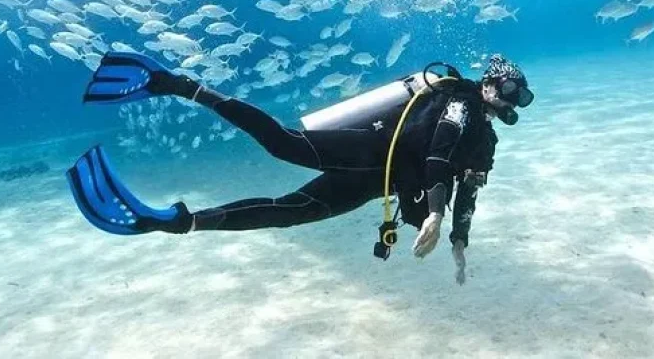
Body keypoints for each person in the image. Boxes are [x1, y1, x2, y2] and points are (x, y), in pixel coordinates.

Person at [68, 52, 533, 283]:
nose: (514, 101)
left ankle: (180, 222)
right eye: (511, 90)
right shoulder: (460, 102)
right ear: (489, 84)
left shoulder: (485, 143)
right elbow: (438, 153)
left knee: (292, 211)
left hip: (378, 181)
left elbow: (469, 192)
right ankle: (179, 85)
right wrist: (433, 212)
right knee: (282, 144)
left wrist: (458, 240)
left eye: (521, 98)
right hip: (371, 150)